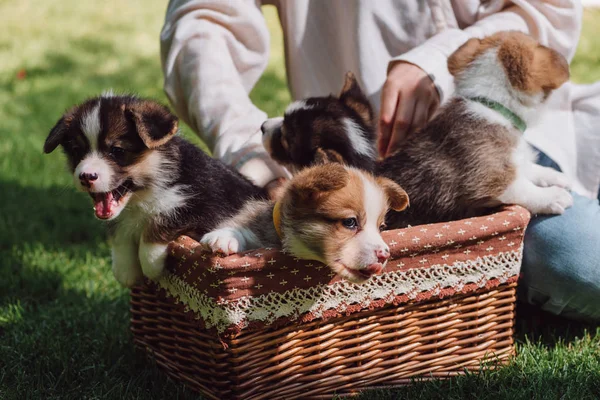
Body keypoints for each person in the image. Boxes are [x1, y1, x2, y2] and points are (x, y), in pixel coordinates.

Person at [160, 1, 600, 321]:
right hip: (364, 178)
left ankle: (497, 276)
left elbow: (547, 11)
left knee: (582, 260)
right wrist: (250, 151)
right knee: (579, 264)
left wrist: (433, 60)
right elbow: (203, 19)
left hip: (521, 133)